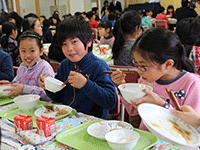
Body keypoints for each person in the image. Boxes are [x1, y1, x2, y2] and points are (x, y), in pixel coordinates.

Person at [111, 28, 200, 131]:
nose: (139, 71)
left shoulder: (191, 83)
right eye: (136, 64)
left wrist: (162, 104)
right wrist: (122, 87)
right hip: (149, 139)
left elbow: (191, 128)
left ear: (168, 64)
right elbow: (133, 111)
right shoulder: (146, 80)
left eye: (143, 66)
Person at [38, 17, 117, 119]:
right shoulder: (65, 65)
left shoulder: (99, 66)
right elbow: (58, 97)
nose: (69, 48)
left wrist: (85, 84)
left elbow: (110, 102)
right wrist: (48, 86)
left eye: (74, 42)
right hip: (67, 120)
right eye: (64, 44)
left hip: (92, 123)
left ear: (88, 42)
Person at [0, 31, 55, 101]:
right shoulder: (22, 67)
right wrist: (9, 85)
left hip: (41, 107)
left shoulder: (44, 68)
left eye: (32, 51)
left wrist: (24, 89)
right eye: (23, 51)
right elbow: (17, 84)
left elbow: (48, 95)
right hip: (23, 104)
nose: (28, 55)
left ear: (41, 51)